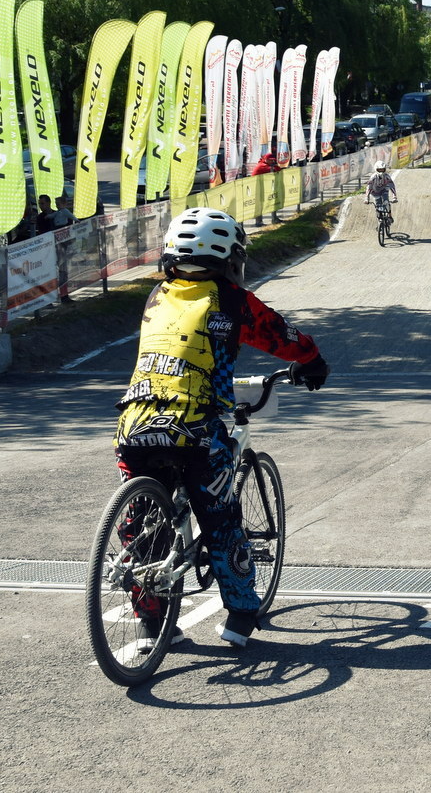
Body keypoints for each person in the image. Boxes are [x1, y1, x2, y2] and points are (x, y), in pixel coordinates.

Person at [114, 207, 329, 650]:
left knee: (141, 525)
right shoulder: (231, 300)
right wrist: (312, 361)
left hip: (134, 423)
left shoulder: (156, 296)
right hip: (194, 427)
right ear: (231, 258)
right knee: (221, 521)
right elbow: (280, 336)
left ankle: (153, 624)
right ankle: (241, 616)